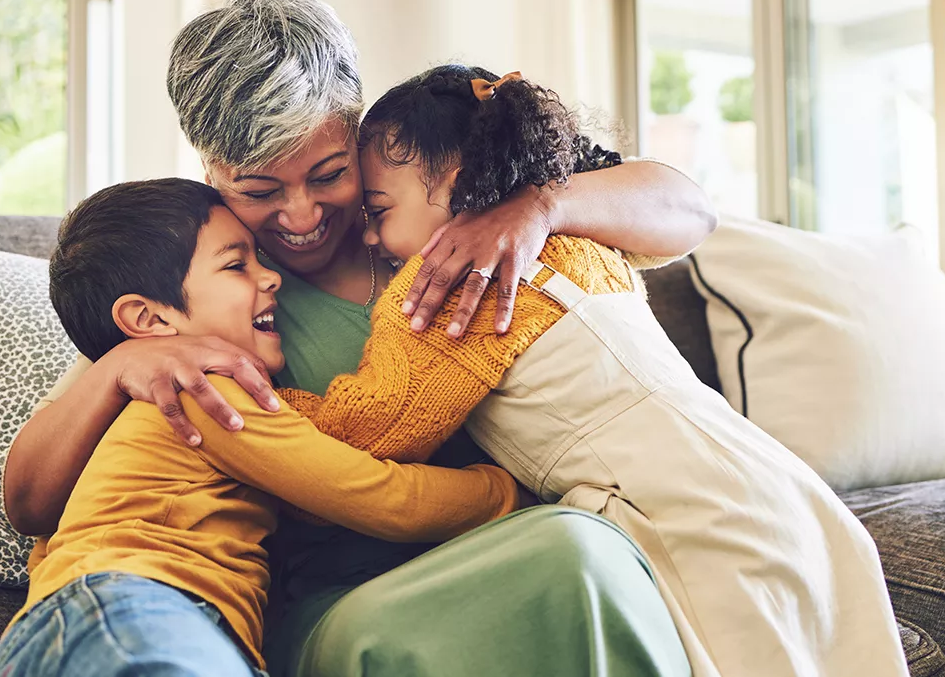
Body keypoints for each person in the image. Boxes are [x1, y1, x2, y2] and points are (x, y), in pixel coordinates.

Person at [1, 0, 710, 676]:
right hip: (350, 597)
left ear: (356, 130)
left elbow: (689, 212)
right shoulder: (207, 290)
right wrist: (115, 366)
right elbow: (30, 500)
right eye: (259, 190)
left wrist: (539, 208)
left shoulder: (439, 203)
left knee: (598, 553)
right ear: (210, 171)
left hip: (512, 535)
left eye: (329, 174)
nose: (301, 214)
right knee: (573, 553)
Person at [283, 65, 909, 677]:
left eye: (379, 209)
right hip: (775, 482)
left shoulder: (450, 289)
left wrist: (244, 399)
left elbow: (366, 432)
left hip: (669, 509)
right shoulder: (589, 242)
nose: (367, 236)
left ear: (454, 178)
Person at [0, 178, 526, 676]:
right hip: (130, 607)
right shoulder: (203, 389)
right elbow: (384, 496)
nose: (271, 276)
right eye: (235, 265)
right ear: (150, 321)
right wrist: (513, 494)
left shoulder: (158, 390)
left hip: (138, 623)